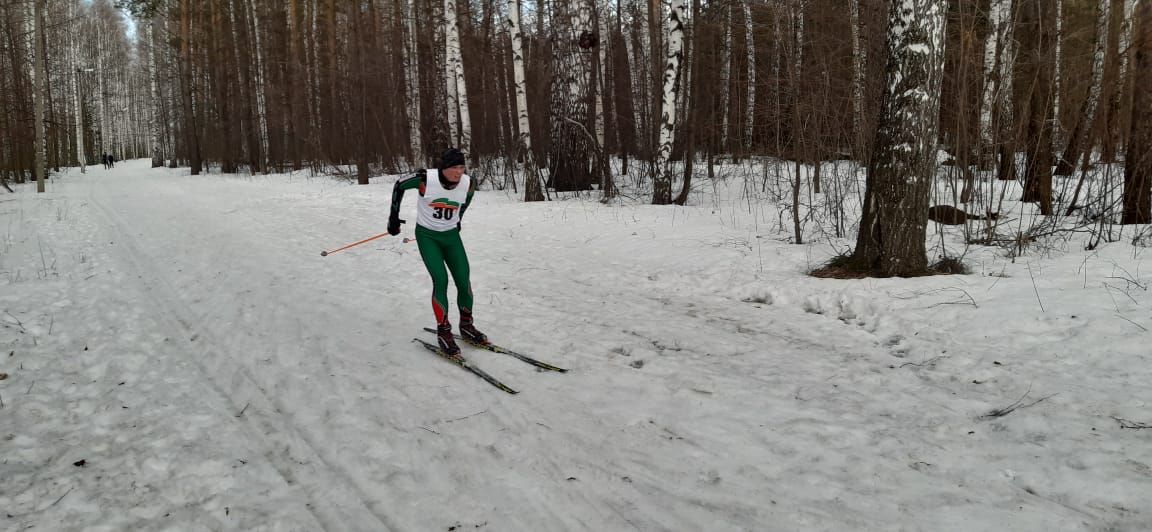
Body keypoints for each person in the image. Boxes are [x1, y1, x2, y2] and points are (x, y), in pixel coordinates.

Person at [388, 148, 486, 355]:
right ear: (443, 168)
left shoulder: (469, 183)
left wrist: (458, 219)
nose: (459, 172)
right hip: (428, 236)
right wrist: (393, 218)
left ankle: (467, 326)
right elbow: (399, 185)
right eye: (454, 168)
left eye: (461, 167)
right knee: (440, 280)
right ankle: (444, 330)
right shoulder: (425, 179)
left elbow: (465, 201)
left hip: (451, 237)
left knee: (463, 280)